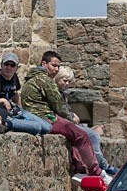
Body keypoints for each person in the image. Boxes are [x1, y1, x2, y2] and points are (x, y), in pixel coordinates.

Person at [21, 50, 110, 182]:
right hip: (46, 118)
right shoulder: (45, 80)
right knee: (82, 135)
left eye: (58, 66)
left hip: (36, 117)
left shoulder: (31, 79)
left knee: (72, 135)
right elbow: (59, 104)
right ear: (44, 63)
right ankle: (97, 172)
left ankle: (79, 168)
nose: (56, 69)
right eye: (53, 65)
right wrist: (71, 117)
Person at [54, 65, 117, 174]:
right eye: (65, 81)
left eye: (69, 81)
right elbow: (61, 112)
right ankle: (103, 165)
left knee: (93, 132)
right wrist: (72, 117)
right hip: (64, 124)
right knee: (94, 136)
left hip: (69, 123)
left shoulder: (62, 94)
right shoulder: (55, 94)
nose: (67, 84)